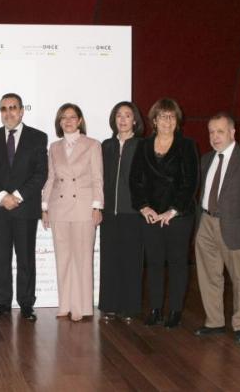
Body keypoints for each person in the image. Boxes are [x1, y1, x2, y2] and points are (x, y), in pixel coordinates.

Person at [192, 113, 240, 345]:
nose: (215, 136)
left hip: (236, 226)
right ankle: (214, 322)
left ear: (232, 132)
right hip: (206, 222)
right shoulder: (206, 159)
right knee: (209, 276)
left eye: (220, 131)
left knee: (239, 278)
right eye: (211, 132)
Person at [129, 98, 198, 328]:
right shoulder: (143, 146)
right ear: (154, 121)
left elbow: (190, 182)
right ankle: (156, 309)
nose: (167, 121)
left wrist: (173, 210)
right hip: (150, 214)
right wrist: (144, 207)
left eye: (171, 116)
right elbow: (135, 180)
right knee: (155, 263)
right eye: (162, 116)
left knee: (178, 263)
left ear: (177, 120)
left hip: (178, 215)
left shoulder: (187, 145)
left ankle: (175, 310)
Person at [0, 93, 48, 322]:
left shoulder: (37, 137)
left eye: (12, 107)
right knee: (0, 258)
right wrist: (2, 196)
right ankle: (2, 304)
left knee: (25, 258)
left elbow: (41, 173)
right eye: (4, 108)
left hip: (25, 207)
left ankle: (27, 305)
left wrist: (17, 196)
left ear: (21, 111)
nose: (8, 112)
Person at [41, 103, 103, 322]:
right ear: (59, 122)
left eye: (72, 117)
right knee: (63, 258)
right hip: (58, 207)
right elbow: (51, 178)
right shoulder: (54, 147)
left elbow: (97, 178)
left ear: (80, 120)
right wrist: (45, 207)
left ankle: (81, 307)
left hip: (83, 207)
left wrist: (97, 207)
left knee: (82, 258)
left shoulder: (92, 145)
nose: (68, 121)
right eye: (63, 118)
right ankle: (65, 304)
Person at [99, 101, 145, 323]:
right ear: (114, 120)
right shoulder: (106, 146)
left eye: (128, 115)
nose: (123, 119)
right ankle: (109, 305)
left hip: (133, 213)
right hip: (108, 212)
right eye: (119, 115)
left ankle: (130, 307)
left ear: (135, 120)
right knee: (109, 259)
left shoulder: (143, 145)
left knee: (131, 260)